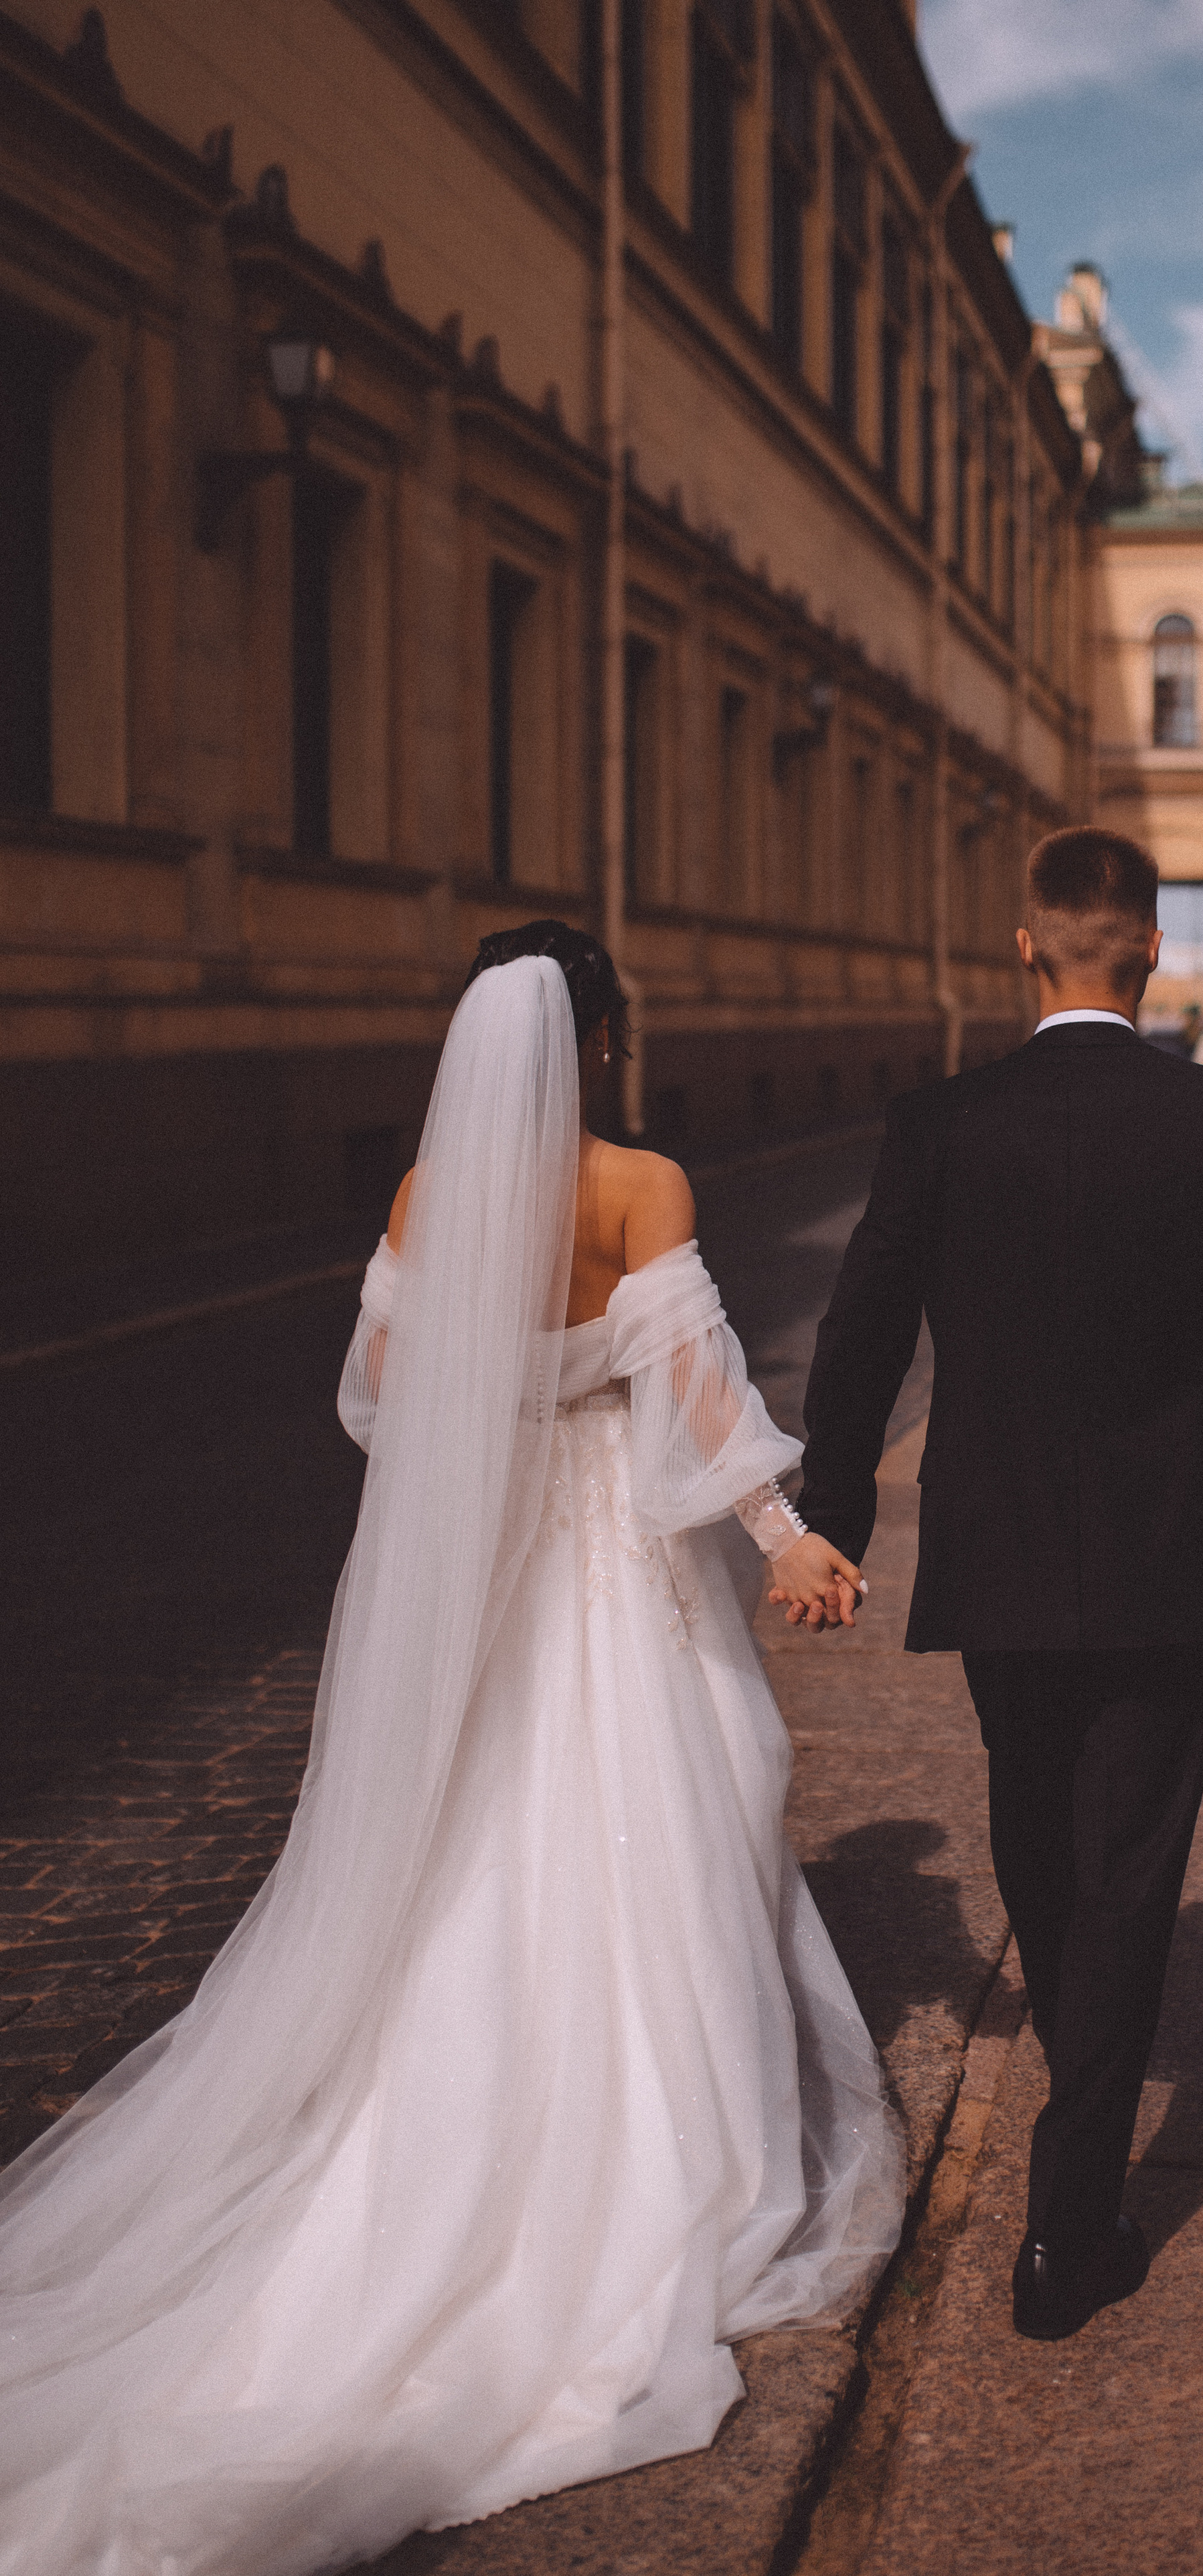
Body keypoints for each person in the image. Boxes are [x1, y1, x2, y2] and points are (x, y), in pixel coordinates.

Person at [0, 923, 901, 2575]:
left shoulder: (425, 1194)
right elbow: (694, 1391)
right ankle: (656, 2137)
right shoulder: (639, 1184)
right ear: (604, 1036)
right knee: (665, 1803)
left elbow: (385, 1395)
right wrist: (784, 1533)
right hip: (613, 1556)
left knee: (474, 1822)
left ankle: (442, 2111)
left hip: (484, 1553)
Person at [791, 828, 1203, 2343]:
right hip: (1165, 1535)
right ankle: (1069, 2223)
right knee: (1132, 1865)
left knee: (1035, 1829)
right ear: (1149, 951)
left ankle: (1073, 2081)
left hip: (995, 1531)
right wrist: (1169, 1366)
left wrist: (830, 1513)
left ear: (1023, 949)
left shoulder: (942, 1120)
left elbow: (857, 1337)